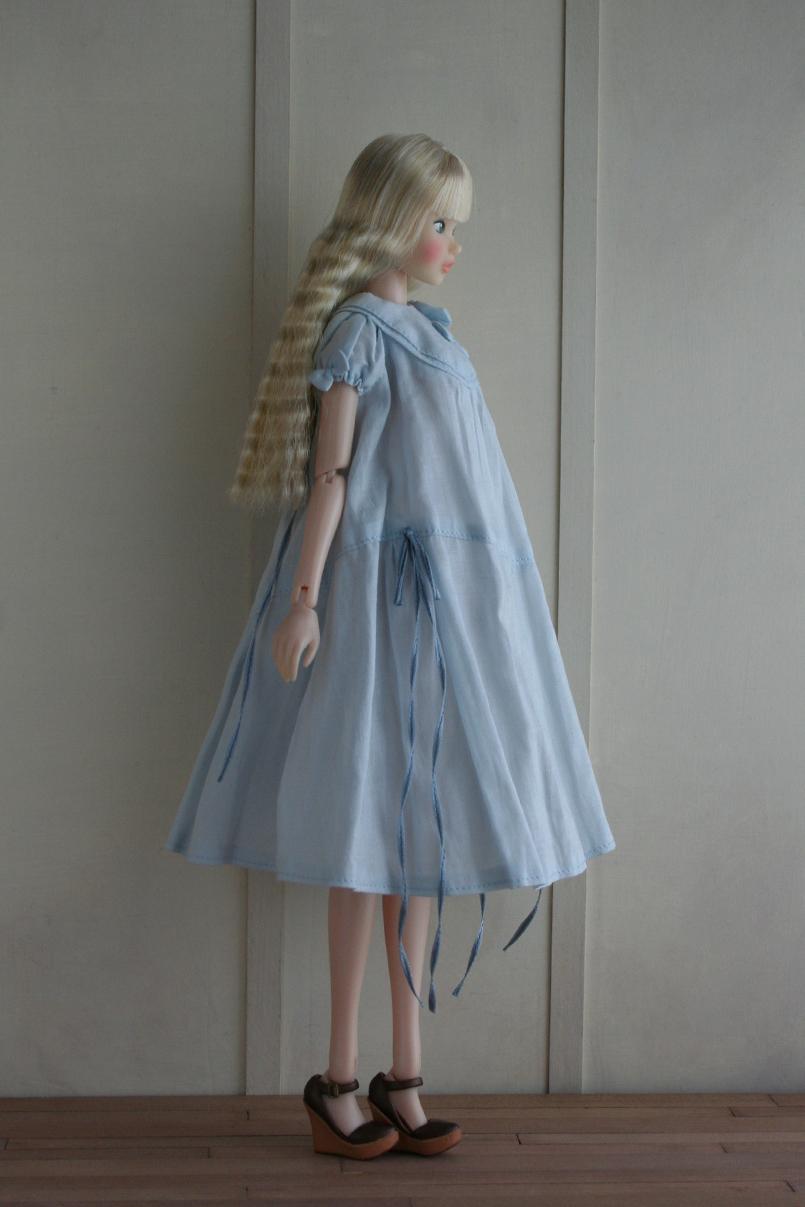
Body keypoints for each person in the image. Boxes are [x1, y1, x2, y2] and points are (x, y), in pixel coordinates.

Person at [166, 133, 615, 1160]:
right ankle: (335, 1075)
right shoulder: (363, 332)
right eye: (437, 220)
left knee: (424, 837)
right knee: (366, 829)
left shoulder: (432, 334)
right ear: (390, 219)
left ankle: (402, 1074)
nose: (451, 241)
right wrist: (304, 598)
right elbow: (329, 478)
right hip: (376, 603)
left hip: (447, 613)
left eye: (456, 223)